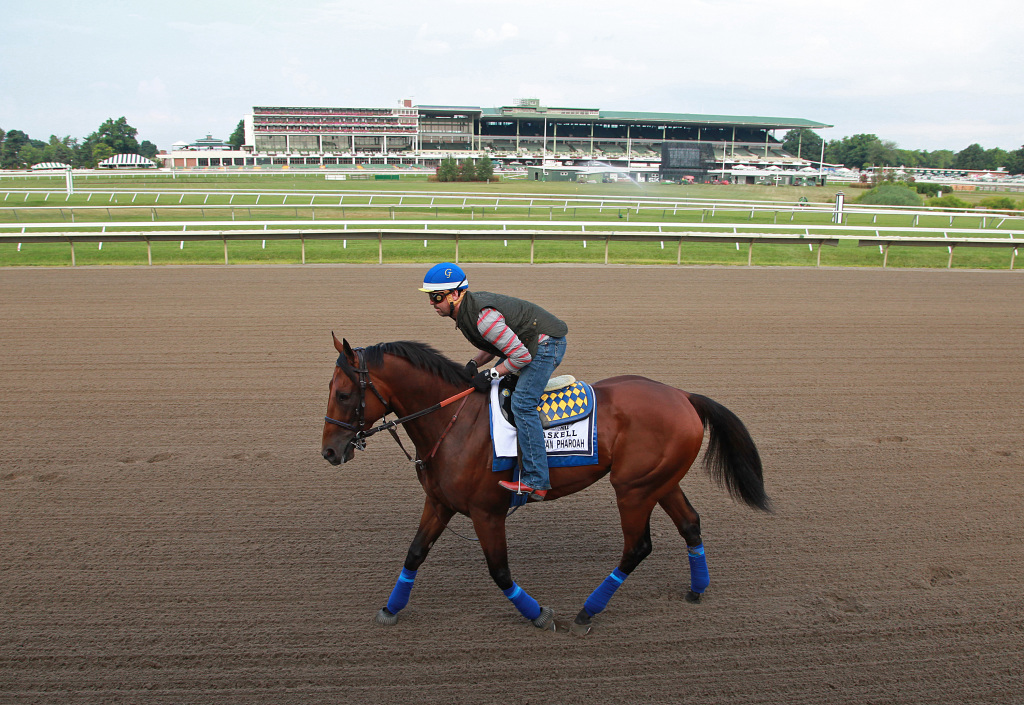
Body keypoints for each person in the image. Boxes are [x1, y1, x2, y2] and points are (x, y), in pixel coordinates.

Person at [419, 263, 568, 501]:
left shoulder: (483, 319)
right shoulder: (468, 312)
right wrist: (474, 364)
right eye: (430, 297)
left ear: (455, 294)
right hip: (526, 343)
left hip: (546, 346)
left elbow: (521, 356)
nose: (431, 303)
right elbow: (496, 345)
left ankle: (536, 480)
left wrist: (491, 374)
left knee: (522, 403)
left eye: (436, 297)